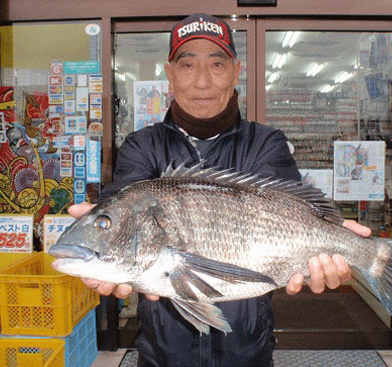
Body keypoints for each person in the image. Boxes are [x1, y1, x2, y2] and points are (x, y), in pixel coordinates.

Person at [71, 13, 371, 367]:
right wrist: (102, 229)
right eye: (187, 65)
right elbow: (126, 204)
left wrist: (339, 243)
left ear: (235, 70)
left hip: (247, 351)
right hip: (163, 354)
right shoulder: (141, 146)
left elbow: (296, 211)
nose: (202, 81)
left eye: (216, 63)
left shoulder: (266, 143)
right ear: (170, 73)